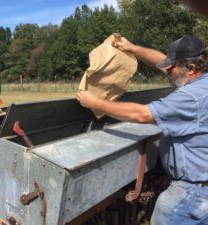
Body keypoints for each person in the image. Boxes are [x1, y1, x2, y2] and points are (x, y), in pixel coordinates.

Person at [77, 35, 208, 225]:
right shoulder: (200, 81)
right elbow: (160, 61)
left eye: (172, 67)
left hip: (193, 192)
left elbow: (141, 115)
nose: (167, 71)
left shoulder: (191, 97)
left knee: (166, 211)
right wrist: (132, 48)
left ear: (191, 69)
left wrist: (95, 102)